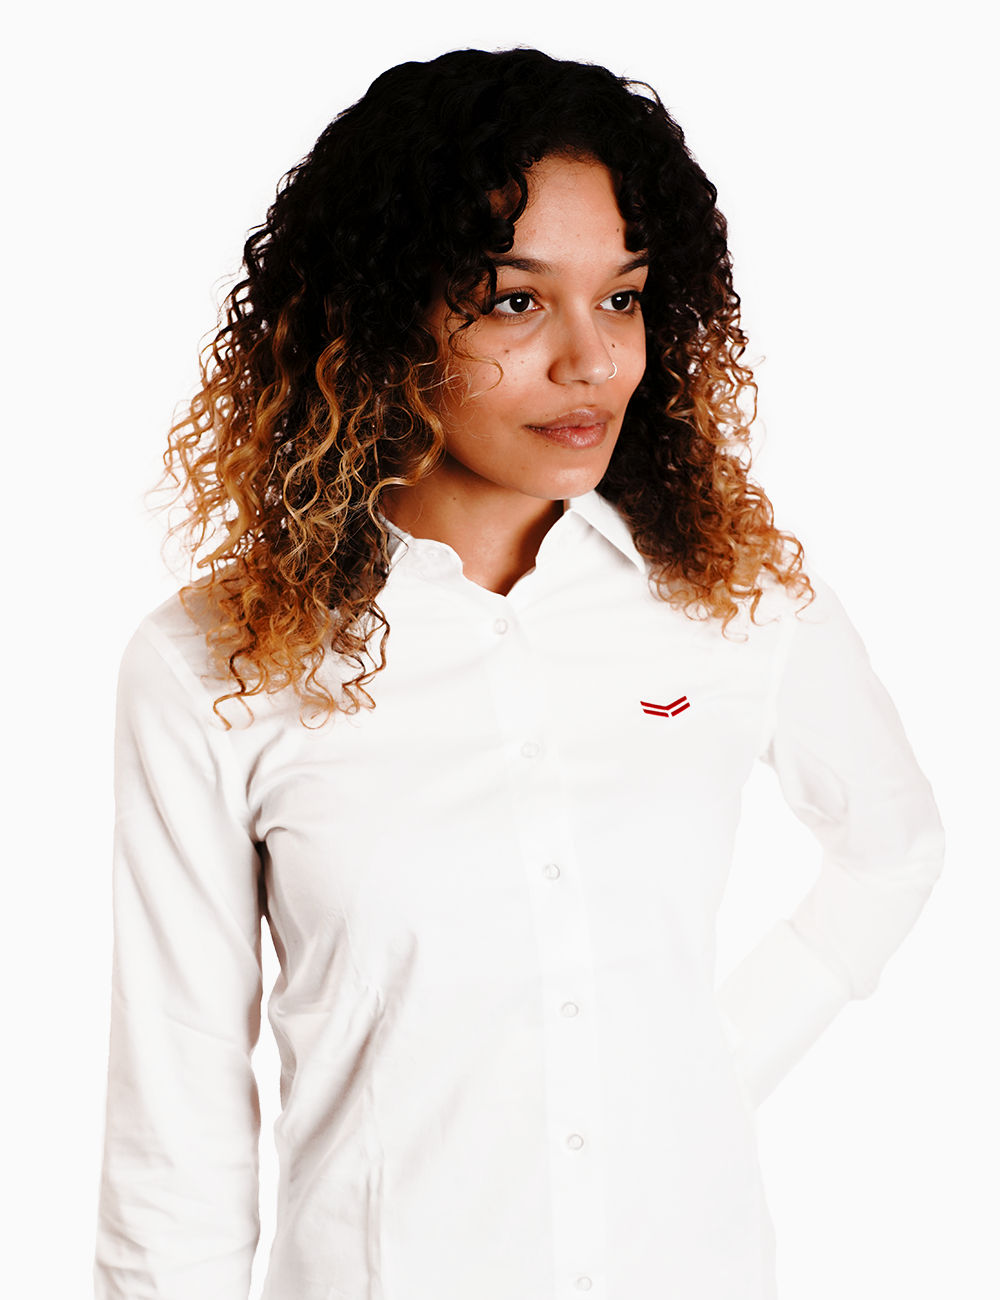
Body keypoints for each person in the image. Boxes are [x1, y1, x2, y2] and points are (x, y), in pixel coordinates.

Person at [94, 47, 944, 1300]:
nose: (591, 361)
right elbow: (176, 1132)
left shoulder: (735, 599)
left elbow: (892, 845)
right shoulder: (215, 663)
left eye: (622, 297)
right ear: (380, 320)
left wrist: (715, 1063)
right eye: (513, 301)